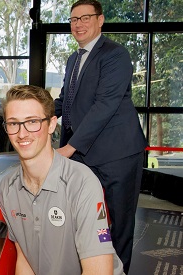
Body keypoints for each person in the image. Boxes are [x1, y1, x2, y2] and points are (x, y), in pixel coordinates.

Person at [53, 0, 146, 272]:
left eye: (85, 18)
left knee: (119, 221)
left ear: (100, 20)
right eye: (73, 19)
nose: (78, 24)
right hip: (83, 154)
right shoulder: (74, 58)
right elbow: (65, 102)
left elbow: (105, 105)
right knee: (81, 216)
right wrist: (39, 114)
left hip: (117, 153)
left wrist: (70, 147)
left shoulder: (115, 55)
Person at [0, 85, 124, 274]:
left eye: (32, 122)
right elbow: (25, 259)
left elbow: (98, 271)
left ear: (51, 124)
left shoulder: (81, 183)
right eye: (13, 123)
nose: (22, 133)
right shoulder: (7, 189)